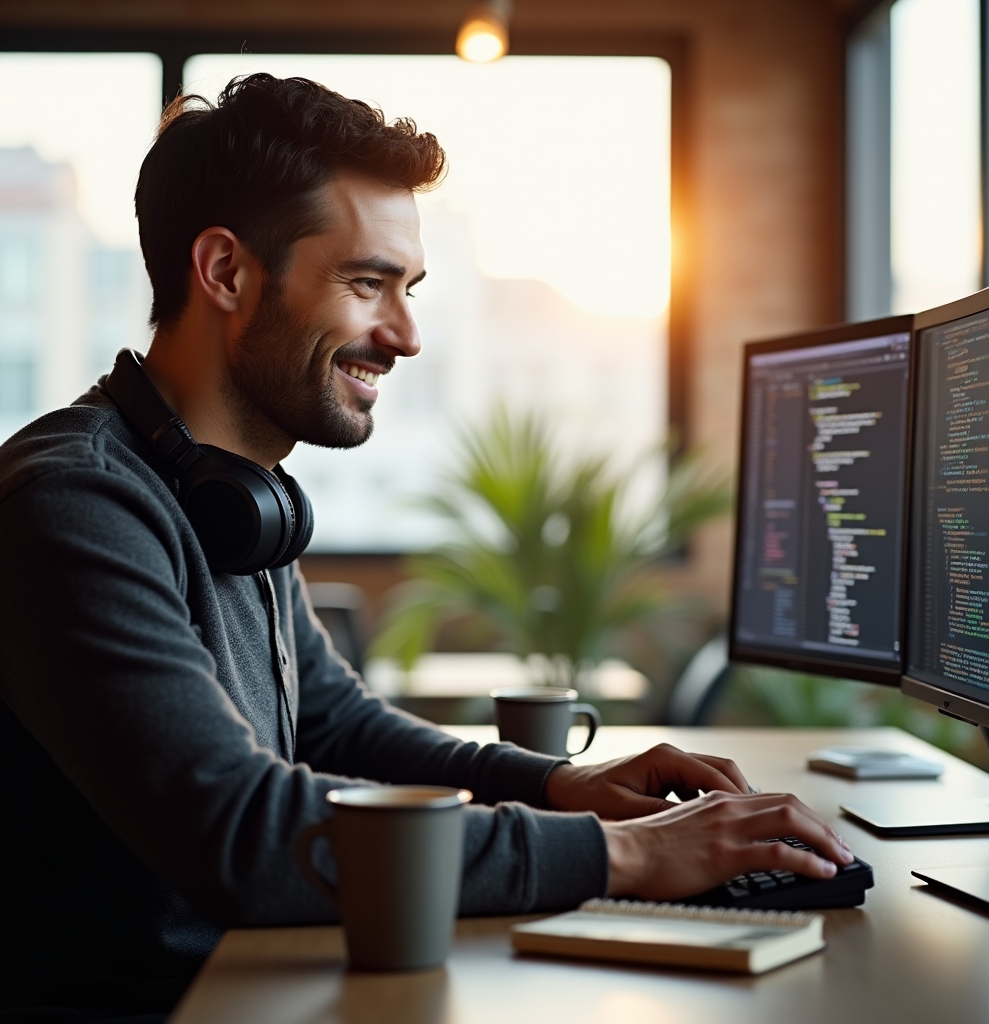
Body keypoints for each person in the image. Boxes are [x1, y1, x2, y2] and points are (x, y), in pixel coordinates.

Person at [0, 74, 852, 1022]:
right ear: (227, 272)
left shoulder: (233, 495)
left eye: (408, 289)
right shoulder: (75, 504)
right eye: (368, 284)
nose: (405, 335)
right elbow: (238, 830)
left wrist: (568, 787)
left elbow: (335, 730)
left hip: (259, 984)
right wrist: (634, 855)